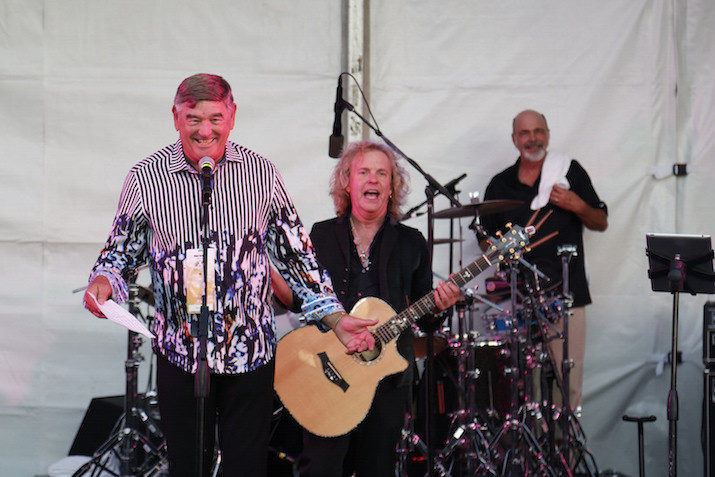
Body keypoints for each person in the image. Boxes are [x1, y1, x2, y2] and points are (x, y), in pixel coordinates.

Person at [82, 73, 376, 476]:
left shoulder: (261, 174)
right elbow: (119, 255)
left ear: (232, 116)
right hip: (181, 353)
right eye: (194, 118)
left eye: (215, 118)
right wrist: (104, 283)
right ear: (176, 117)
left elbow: (299, 260)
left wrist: (335, 317)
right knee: (188, 468)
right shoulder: (145, 178)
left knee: (246, 468)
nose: (205, 131)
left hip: (250, 354)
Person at [272, 140, 461, 476]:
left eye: (382, 173)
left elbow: (427, 321)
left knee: (377, 467)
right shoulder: (321, 235)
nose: (373, 179)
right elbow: (303, 299)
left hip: (385, 377)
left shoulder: (411, 241)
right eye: (364, 172)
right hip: (327, 373)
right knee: (321, 467)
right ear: (347, 181)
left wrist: (441, 306)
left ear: (392, 186)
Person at [479, 109, 608, 412]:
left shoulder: (568, 171)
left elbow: (600, 221)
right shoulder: (500, 184)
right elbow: (484, 242)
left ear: (548, 134)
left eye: (539, 131)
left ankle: (565, 456)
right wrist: (501, 246)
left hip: (567, 295)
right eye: (525, 133)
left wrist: (576, 203)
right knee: (524, 389)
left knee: (568, 384)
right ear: (514, 139)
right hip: (517, 299)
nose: (532, 138)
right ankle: (528, 456)